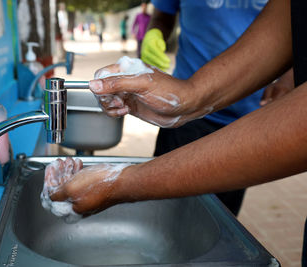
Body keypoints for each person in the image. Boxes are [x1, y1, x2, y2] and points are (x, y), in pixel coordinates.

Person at [45, 0, 306, 265]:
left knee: (211, 228)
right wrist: (189, 95)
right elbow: (291, 13)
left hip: (255, 119)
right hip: (216, 120)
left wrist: (120, 182)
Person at [139, 0, 274, 216]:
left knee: (220, 217)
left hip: (245, 118)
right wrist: (154, 33)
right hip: (185, 117)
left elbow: (288, 29)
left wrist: (288, 76)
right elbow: (162, 15)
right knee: (164, 210)